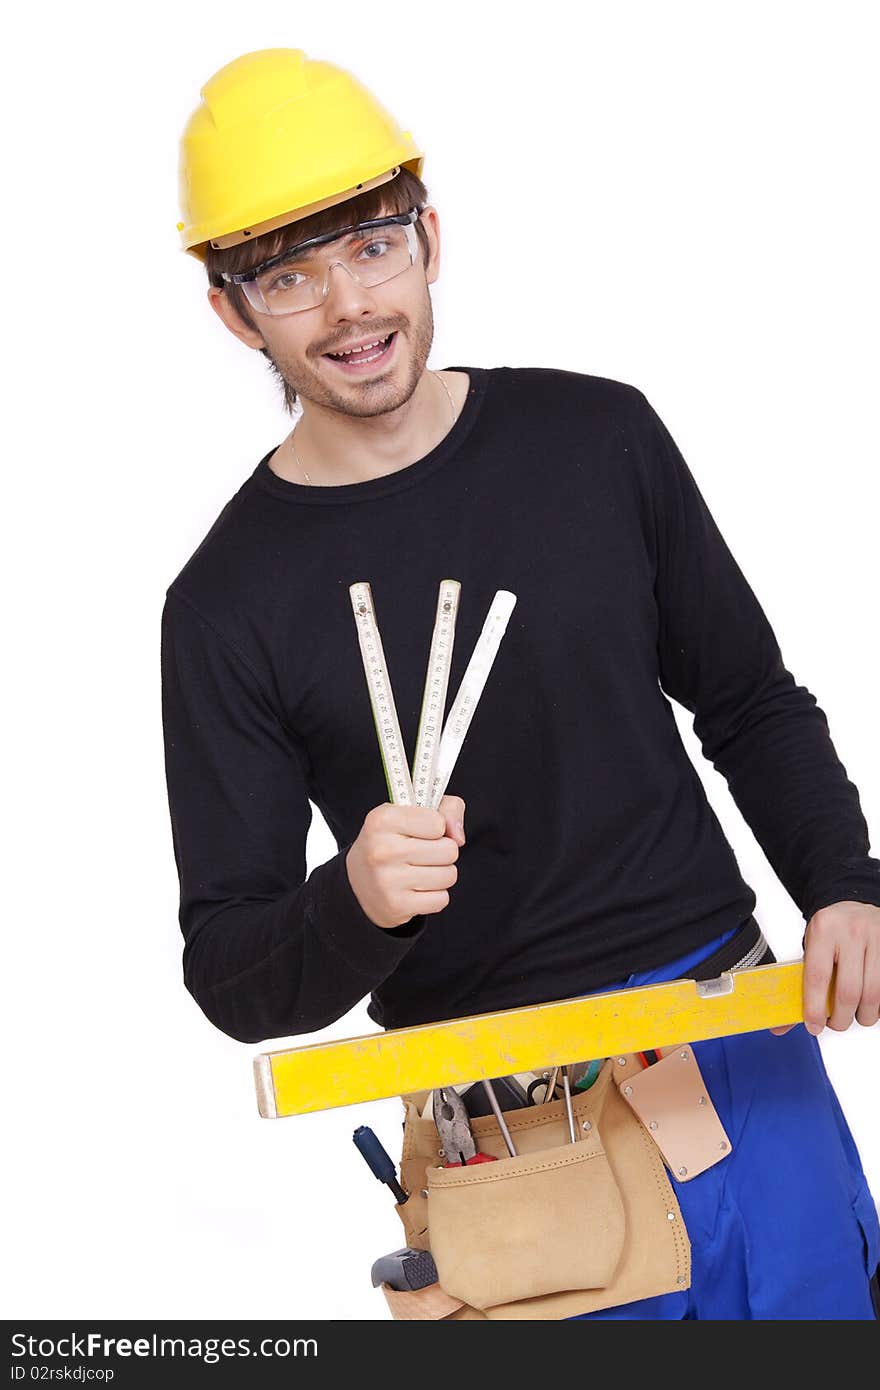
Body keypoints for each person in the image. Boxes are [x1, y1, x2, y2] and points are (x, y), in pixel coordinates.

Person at [162, 47, 880, 1319]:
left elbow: (749, 698)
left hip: (741, 1059)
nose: (346, 306)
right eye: (289, 275)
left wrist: (843, 882)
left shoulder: (597, 436)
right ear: (234, 311)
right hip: (512, 1145)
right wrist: (356, 902)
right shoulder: (225, 605)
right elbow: (231, 969)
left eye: (372, 246)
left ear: (429, 236)